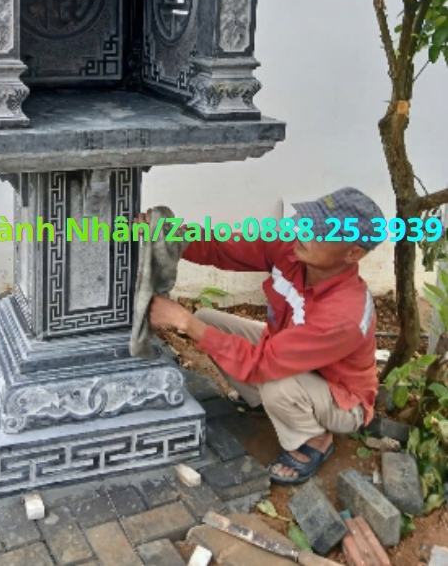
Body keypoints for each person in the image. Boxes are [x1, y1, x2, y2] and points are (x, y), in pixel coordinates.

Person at [143, 187, 383, 485]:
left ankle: (315, 439)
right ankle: (264, 405)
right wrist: (171, 233)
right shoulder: (292, 251)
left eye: (320, 231)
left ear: (353, 253)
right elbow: (224, 248)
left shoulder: (343, 315)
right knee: (209, 322)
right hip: (293, 361)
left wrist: (184, 321)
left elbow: (263, 363)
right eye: (309, 221)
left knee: (274, 382)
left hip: (341, 399)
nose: (304, 231)